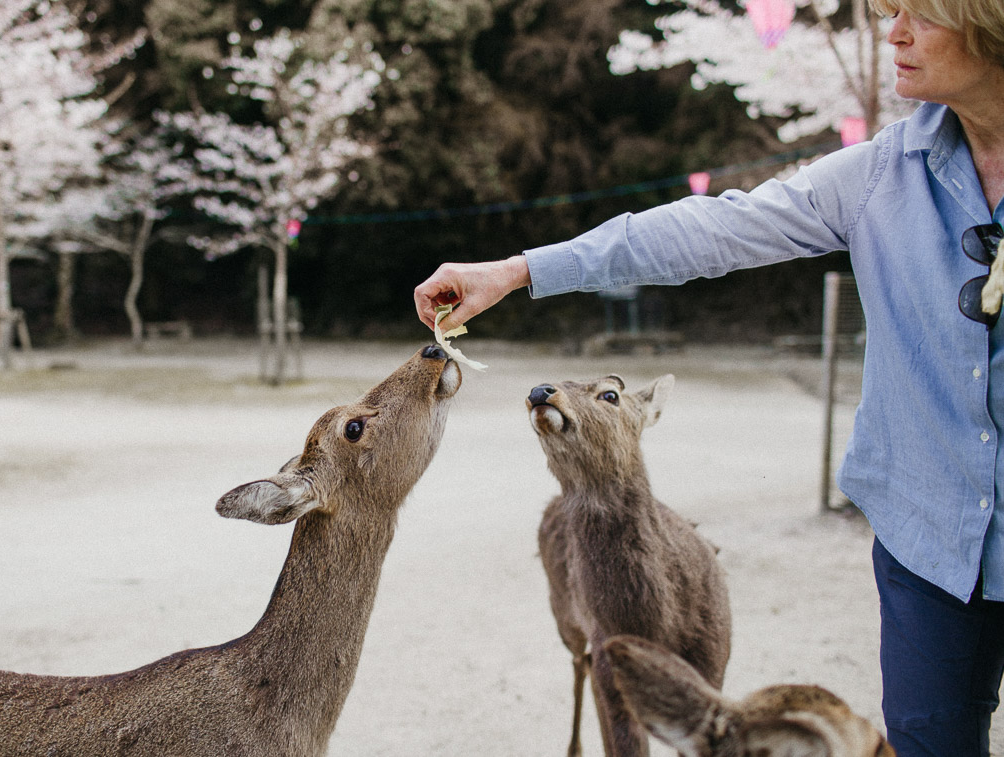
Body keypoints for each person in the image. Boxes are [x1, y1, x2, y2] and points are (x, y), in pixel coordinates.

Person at [413, 1, 1004, 755]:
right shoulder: (878, 176)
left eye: (921, 15)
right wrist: (518, 270)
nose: (892, 34)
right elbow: (709, 229)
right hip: (928, 549)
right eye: (890, 12)